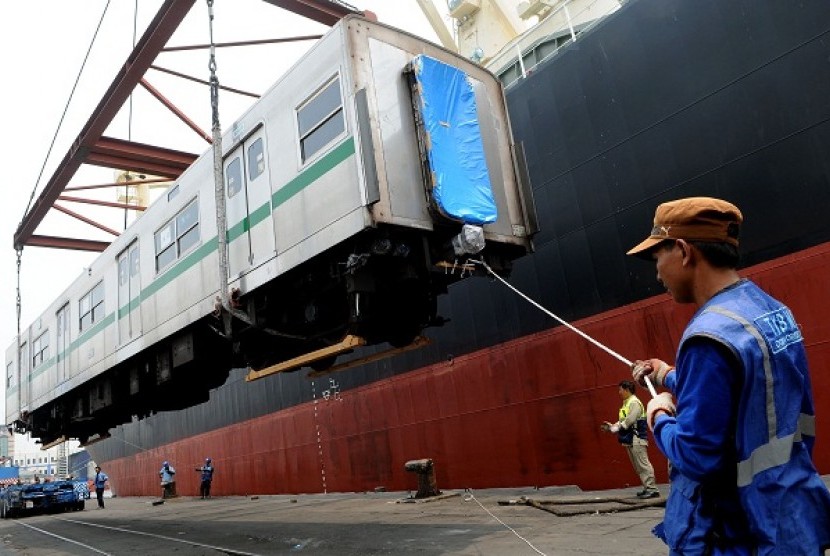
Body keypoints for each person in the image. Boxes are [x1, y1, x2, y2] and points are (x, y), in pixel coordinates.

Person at [627, 196, 830, 554]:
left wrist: (658, 413)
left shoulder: (706, 337)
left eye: (658, 258)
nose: (657, 273)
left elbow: (696, 455)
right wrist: (670, 376)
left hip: (743, 531)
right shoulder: (772, 311)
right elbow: (754, 389)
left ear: (684, 251)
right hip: (794, 514)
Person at [601, 380, 659, 499]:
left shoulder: (634, 402)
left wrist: (615, 429)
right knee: (638, 466)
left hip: (636, 438)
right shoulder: (627, 403)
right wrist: (612, 426)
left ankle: (652, 489)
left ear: (627, 390)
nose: (619, 392)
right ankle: (647, 487)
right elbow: (623, 420)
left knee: (643, 464)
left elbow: (630, 420)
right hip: (630, 439)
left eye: (620, 390)